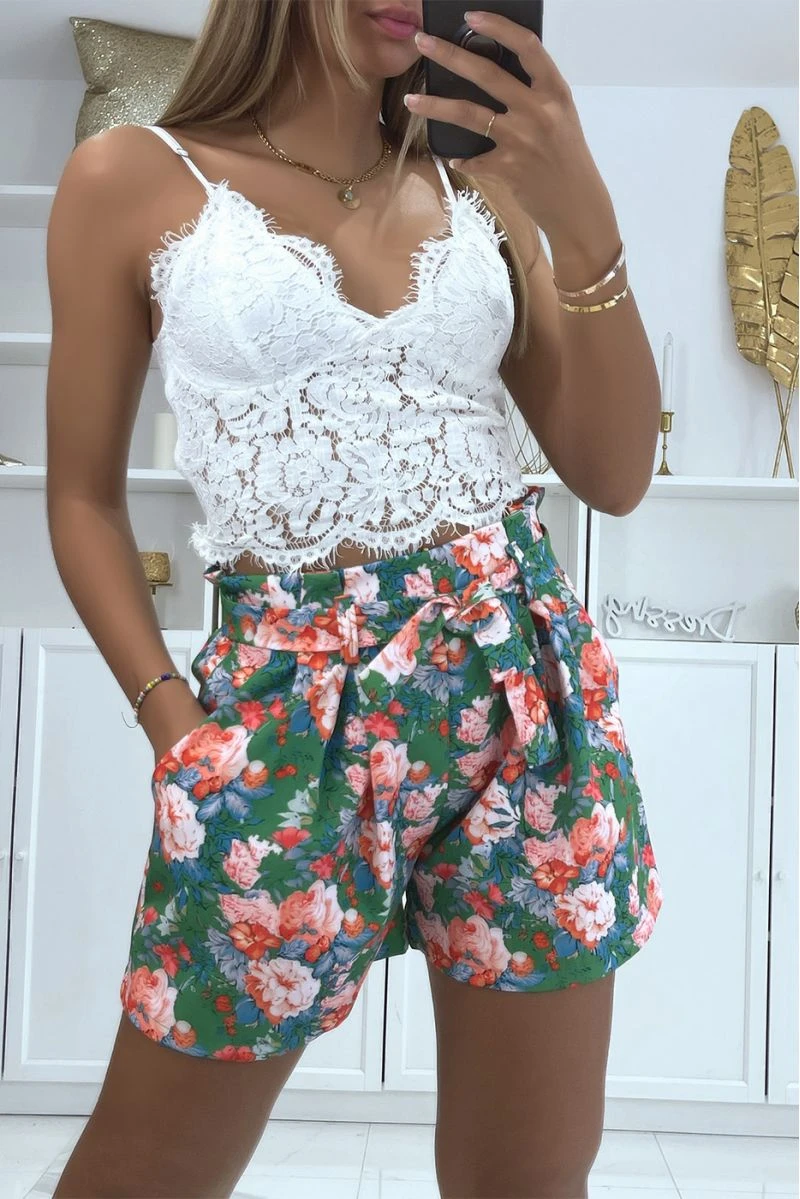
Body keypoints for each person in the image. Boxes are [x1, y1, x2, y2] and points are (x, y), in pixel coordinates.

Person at [45, 1, 664, 1195]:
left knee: (528, 1180)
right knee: (148, 1169)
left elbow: (613, 473)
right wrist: (175, 729)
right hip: (285, 715)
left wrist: (582, 219)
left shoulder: (483, 188)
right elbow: (80, 496)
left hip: (521, 692)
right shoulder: (132, 174)